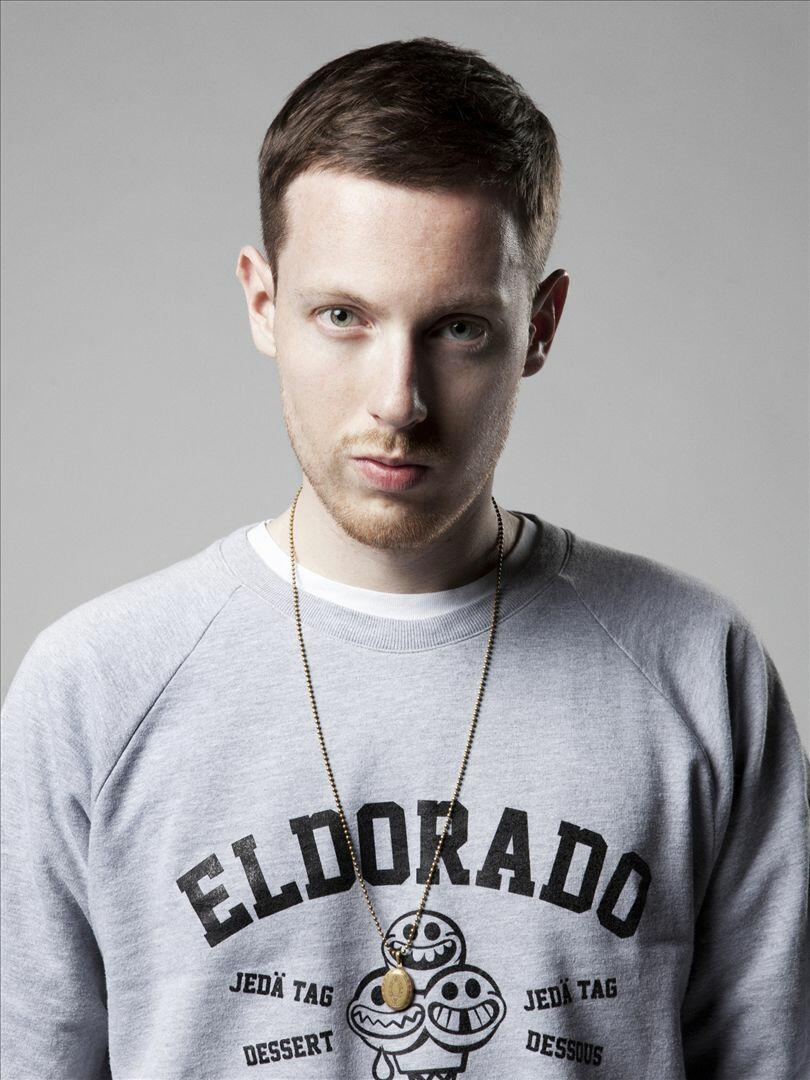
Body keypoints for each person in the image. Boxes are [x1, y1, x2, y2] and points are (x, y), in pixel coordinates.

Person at [1, 35, 807, 1080]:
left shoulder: (695, 668)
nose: (399, 401)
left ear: (541, 326)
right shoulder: (95, 690)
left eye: (459, 328)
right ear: (263, 304)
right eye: (343, 316)